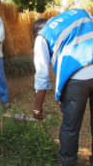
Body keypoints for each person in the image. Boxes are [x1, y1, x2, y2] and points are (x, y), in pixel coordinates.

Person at [32, 9, 93, 166]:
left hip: (76, 79)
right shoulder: (79, 12)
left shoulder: (42, 38)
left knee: (70, 127)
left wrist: (37, 108)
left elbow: (42, 75)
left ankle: (67, 161)